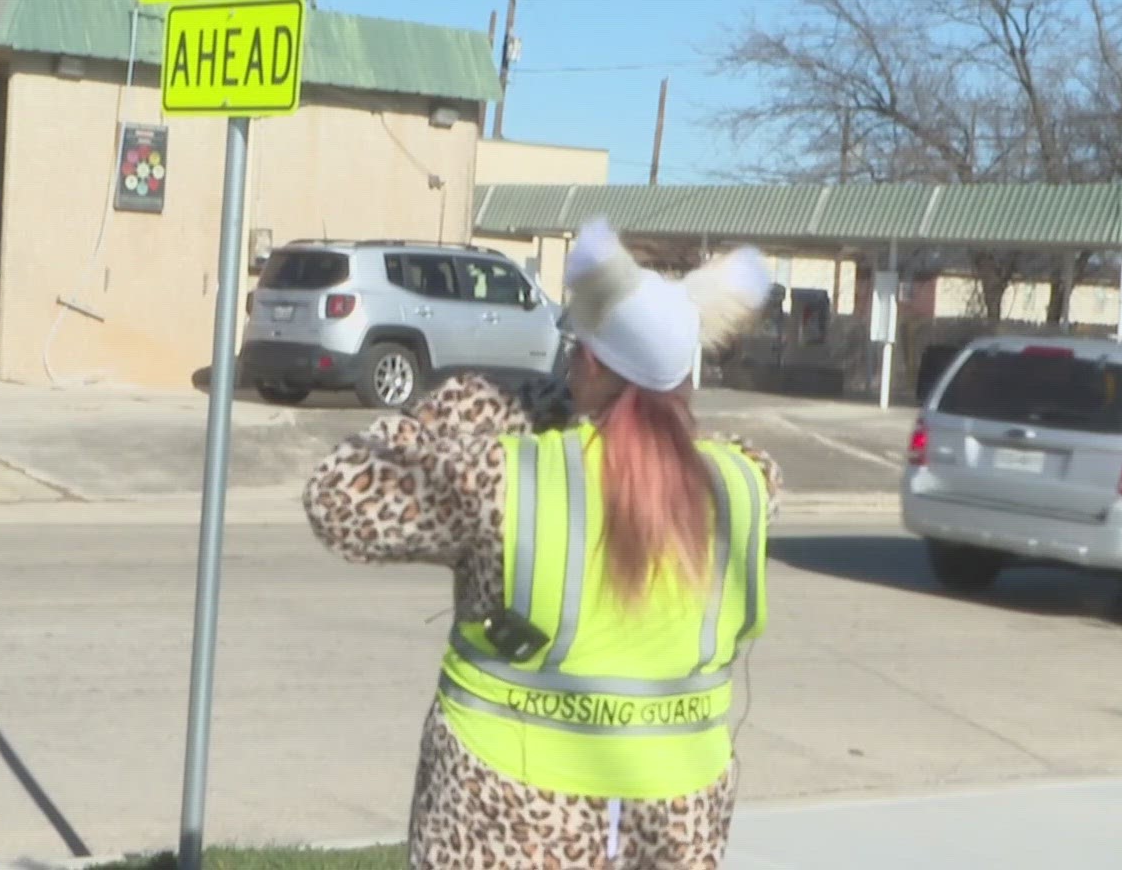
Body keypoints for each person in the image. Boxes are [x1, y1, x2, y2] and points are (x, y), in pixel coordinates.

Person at [303, 221, 782, 869]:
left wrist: (458, 411)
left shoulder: (505, 479)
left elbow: (340, 499)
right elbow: (644, 434)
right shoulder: (746, 483)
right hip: (674, 821)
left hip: (504, 811)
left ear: (584, 360)